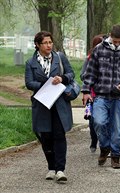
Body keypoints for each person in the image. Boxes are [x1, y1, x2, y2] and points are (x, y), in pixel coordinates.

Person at [81, 25, 120, 169]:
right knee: (99, 122)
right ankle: (105, 147)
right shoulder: (99, 49)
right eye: (115, 41)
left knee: (117, 128)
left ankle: (116, 155)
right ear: (110, 37)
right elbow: (90, 72)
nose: (117, 44)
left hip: (119, 97)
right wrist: (86, 91)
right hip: (101, 95)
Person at [25, 31, 75, 183]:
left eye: (50, 42)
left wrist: (63, 78)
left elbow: (71, 73)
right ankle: (51, 167)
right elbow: (29, 82)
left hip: (59, 103)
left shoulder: (60, 58)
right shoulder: (30, 63)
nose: (48, 45)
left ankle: (60, 170)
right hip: (42, 104)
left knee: (59, 135)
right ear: (38, 45)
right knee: (45, 136)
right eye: (45, 43)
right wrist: (44, 85)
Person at [80, 34, 106, 153]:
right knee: (91, 120)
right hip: (91, 95)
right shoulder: (89, 58)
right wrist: (92, 76)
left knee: (104, 120)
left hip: (105, 94)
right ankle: (93, 140)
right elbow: (82, 75)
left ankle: (104, 143)